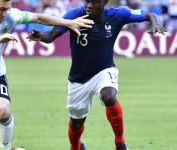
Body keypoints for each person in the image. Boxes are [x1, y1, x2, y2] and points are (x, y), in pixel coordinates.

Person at [0, 0, 94, 150]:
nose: (5, 13)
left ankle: (6, 148)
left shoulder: (11, 15)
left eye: (7, 9)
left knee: (2, 109)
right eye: (1, 9)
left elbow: (39, 18)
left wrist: (68, 23)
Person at [27, 0, 166, 150]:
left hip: (104, 70)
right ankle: (76, 147)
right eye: (87, 1)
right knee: (76, 122)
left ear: (104, 3)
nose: (89, 5)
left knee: (109, 96)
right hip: (78, 79)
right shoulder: (74, 15)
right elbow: (51, 36)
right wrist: (40, 35)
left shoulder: (118, 14)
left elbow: (150, 15)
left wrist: (156, 23)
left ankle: (120, 143)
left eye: (94, 2)